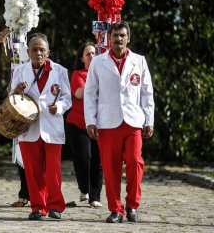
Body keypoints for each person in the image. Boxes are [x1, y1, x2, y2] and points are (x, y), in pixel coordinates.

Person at [84, 20, 154, 223]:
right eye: (115, 35)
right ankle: (116, 209)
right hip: (107, 122)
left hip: (133, 121)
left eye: (122, 35)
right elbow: (90, 94)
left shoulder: (139, 61)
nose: (119, 39)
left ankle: (132, 205)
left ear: (128, 38)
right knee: (110, 166)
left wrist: (149, 120)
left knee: (135, 161)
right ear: (109, 38)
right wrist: (90, 120)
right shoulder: (98, 62)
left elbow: (147, 93)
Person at [11, 33, 72, 220]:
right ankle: (37, 207)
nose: (38, 53)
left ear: (48, 52)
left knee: (53, 170)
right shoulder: (20, 71)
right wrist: (17, 91)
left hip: (51, 123)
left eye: (42, 50)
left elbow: (67, 98)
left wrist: (59, 107)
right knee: (32, 170)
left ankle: (55, 206)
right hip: (29, 126)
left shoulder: (60, 70)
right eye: (34, 50)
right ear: (28, 52)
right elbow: (12, 98)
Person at [66, 42, 103, 208]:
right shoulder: (78, 74)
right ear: (82, 58)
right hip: (78, 123)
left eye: (94, 53)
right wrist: (96, 80)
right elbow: (80, 94)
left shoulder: (103, 73)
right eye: (88, 54)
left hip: (99, 123)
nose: (91, 56)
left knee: (98, 160)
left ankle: (95, 196)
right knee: (83, 157)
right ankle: (84, 189)